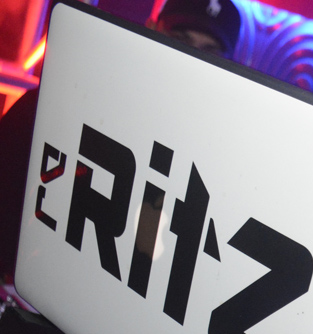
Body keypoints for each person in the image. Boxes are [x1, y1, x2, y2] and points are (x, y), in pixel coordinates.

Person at [0, 0, 241, 283]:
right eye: (180, 38)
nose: (192, 57)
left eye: (209, 51)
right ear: (151, 28)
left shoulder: (219, 167)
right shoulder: (61, 103)